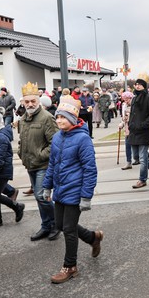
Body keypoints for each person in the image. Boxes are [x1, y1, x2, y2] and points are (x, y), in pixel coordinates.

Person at [42, 96, 103, 284]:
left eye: (64, 117)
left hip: (75, 192)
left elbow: (90, 169)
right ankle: (93, 237)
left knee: (68, 229)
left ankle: (70, 266)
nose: (59, 120)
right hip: (60, 189)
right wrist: (47, 185)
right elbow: (52, 164)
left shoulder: (83, 139)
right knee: (60, 225)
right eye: (58, 117)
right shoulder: (58, 137)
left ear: (73, 119)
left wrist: (86, 197)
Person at [17, 82, 60, 241]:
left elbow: (55, 144)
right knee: (38, 196)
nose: (29, 104)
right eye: (26, 101)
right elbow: (22, 140)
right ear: (23, 102)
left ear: (38, 100)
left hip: (43, 164)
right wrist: (21, 153)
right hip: (30, 164)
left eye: (33, 101)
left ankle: (56, 223)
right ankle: (46, 225)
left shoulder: (47, 118)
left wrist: (41, 155)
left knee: (42, 196)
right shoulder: (22, 119)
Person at [127, 74, 149, 188]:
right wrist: (129, 124)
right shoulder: (135, 97)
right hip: (134, 131)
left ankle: (142, 180)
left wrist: (144, 124)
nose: (137, 86)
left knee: (142, 158)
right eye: (136, 84)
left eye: (140, 84)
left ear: (144, 86)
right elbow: (132, 113)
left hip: (143, 131)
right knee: (136, 157)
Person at [118, 91, 137, 169]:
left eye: (127, 99)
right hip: (127, 129)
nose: (126, 101)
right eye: (124, 99)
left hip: (135, 128)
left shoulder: (135, 106)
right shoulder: (124, 106)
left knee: (138, 146)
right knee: (127, 145)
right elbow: (124, 118)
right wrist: (121, 124)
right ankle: (128, 162)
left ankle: (147, 157)